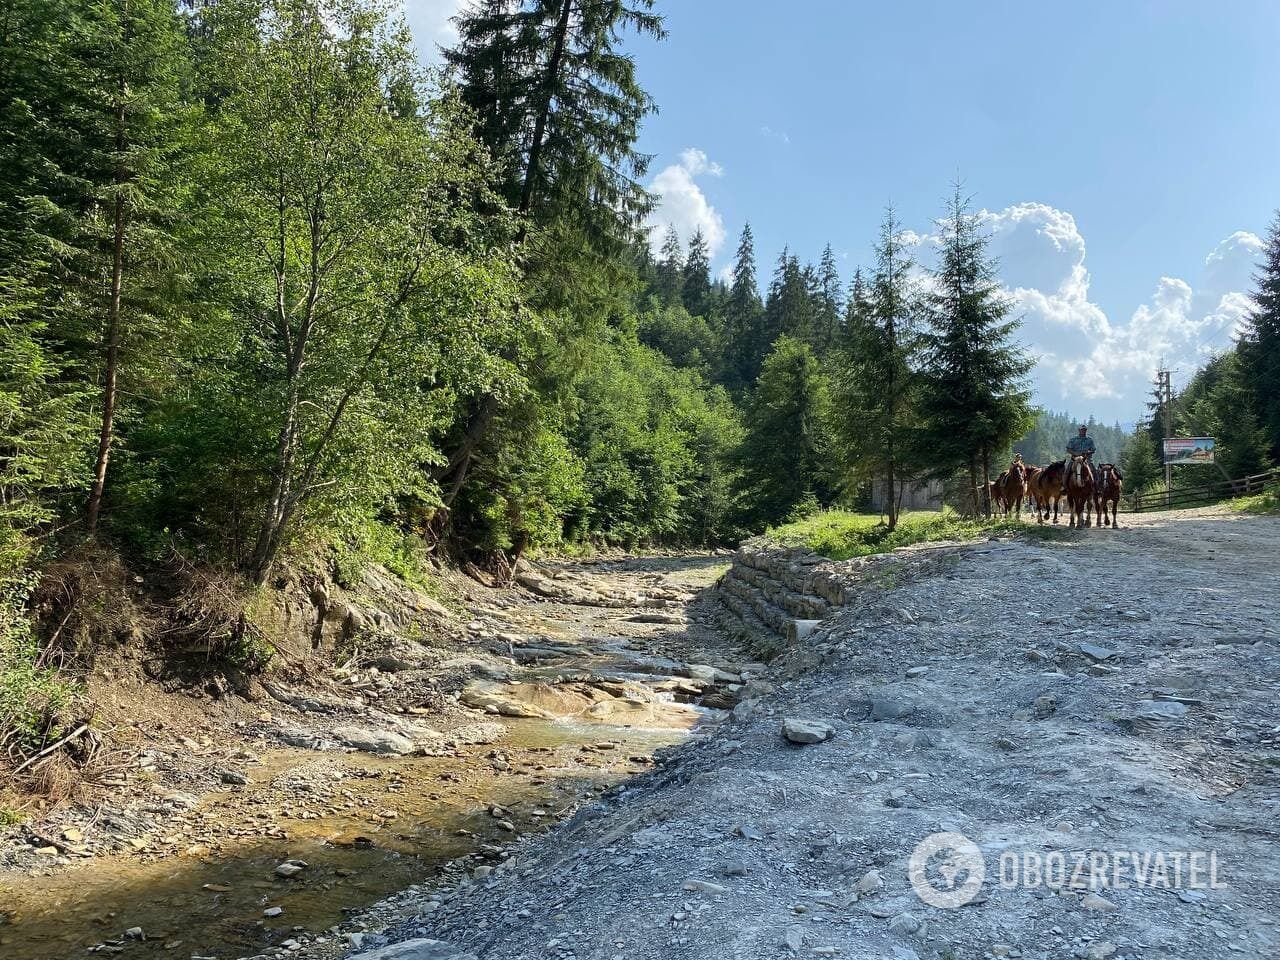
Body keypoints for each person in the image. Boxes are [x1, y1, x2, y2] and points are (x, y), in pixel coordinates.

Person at [1060, 424, 1096, 493]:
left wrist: (1088, 452)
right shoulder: (1073, 439)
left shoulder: (1090, 440)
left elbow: (1093, 450)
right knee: (1067, 470)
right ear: (1079, 430)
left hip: (1087, 459)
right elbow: (1068, 449)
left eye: (1084, 430)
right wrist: (1075, 453)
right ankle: (1064, 487)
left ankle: (1096, 487)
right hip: (1075, 459)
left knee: (1094, 470)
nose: (1083, 431)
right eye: (1082, 430)